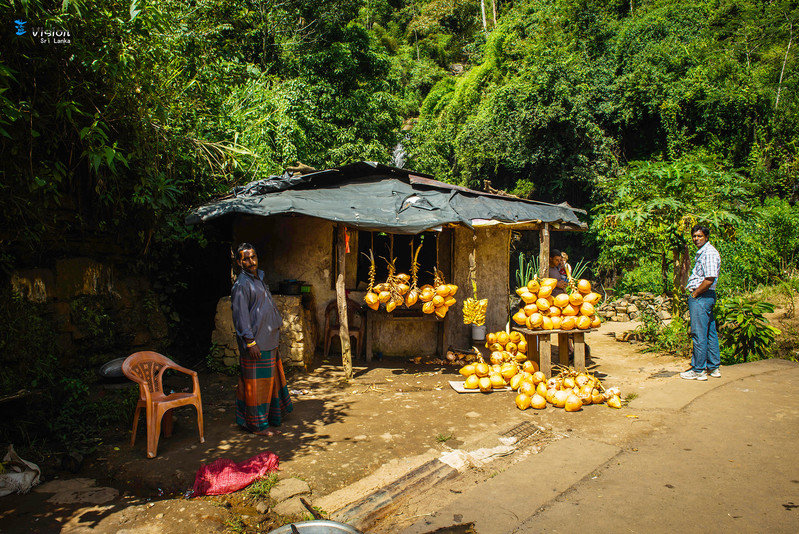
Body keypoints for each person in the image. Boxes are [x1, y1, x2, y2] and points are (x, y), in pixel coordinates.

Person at [230, 243, 293, 435]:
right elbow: (241, 317)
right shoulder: (242, 284)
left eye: (253, 257)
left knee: (270, 384)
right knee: (255, 386)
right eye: (246, 259)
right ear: (240, 262)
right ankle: (257, 426)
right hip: (256, 343)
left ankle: (271, 418)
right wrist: (250, 342)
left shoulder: (259, 279)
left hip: (269, 340)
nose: (251, 261)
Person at [680, 225, 722, 381]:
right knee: (710, 332)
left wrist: (696, 293)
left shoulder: (709, 253)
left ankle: (699, 370)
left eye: (699, 236)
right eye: (694, 236)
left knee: (698, 334)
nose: (696, 239)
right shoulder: (703, 252)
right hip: (705, 296)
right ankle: (713, 367)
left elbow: (709, 278)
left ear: (706, 237)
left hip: (702, 296)